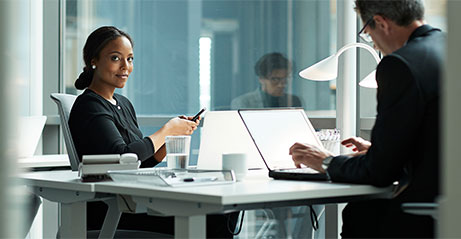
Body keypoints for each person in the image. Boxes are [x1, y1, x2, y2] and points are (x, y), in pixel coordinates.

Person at [289, 0, 444, 238]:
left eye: (367, 32)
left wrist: (326, 162)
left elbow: (380, 172)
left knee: (361, 214)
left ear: (381, 22)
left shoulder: (400, 64)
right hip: (447, 202)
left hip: (426, 214)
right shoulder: (447, 47)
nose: (372, 40)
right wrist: (381, 149)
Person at [69, 26, 238, 238]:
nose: (125, 67)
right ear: (93, 60)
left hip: (131, 201)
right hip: (111, 209)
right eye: (115, 58)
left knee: (224, 213)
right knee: (213, 218)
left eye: (130, 59)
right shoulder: (89, 105)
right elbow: (123, 157)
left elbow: (141, 163)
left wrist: (170, 140)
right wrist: (166, 130)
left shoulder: (123, 103)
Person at [231, 52, 303, 109]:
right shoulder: (244, 102)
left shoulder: (294, 101)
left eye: (286, 79)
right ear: (261, 79)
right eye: (275, 79)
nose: (282, 84)